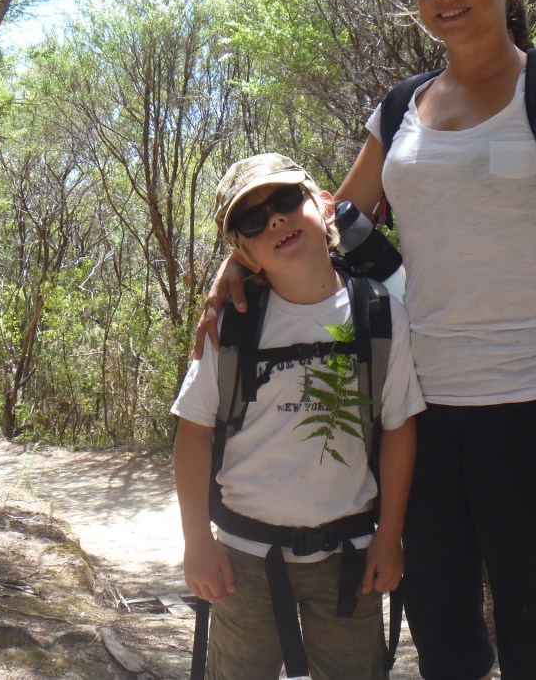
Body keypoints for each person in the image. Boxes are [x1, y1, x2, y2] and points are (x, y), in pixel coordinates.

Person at [194, 0, 536, 679]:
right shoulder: (400, 109)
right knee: (436, 611)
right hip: (424, 402)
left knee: (530, 611)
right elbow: (328, 219)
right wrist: (240, 261)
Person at [174, 153, 425, 680]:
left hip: (349, 558)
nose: (276, 221)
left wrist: (390, 535)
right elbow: (194, 434)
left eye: (286, 201)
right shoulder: (231, 327)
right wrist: (198, 540)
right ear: (245, 253)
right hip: (244, 558)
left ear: (323, 207)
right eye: (253, 220)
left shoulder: (381, 315)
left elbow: (399, 429)